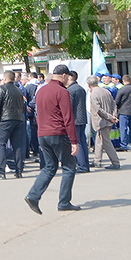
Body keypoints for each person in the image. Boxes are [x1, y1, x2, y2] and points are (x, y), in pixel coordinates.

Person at [24, 65, 80, 215]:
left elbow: (38, 114)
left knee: (49, 166)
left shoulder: (41, 91)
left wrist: (40, 135)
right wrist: (74, 141)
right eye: (68, 77)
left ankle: (33, 195)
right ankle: (64, 202)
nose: (68, 80)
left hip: (43, 133)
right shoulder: (62, 92)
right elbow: (68, 118)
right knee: (69, 166)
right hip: (58, 133)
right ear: (63, 76)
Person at [0, 71, 26, 180]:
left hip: (5, 119)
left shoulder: (1, 89)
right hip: (18, 119)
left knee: (1, 144)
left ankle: (1, 171)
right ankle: (19, 170)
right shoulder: (19, 90)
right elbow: (23, 106)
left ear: (5, 79)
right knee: (17, 146)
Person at [87, 77, 120, 169]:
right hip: (108, 120)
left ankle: (115, 162)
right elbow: (114, 104)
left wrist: (110, 117)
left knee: (106, 142)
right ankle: (97, 160)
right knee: (99, 141)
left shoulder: (93, 94)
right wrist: (113, 116)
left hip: (101, 121)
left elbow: (98, 109)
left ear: (89, 85)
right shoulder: (106, 91)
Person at [65, 70, 90, 172]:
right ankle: (85, 164)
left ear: (70, 77)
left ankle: (82, 165)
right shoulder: (81, 88)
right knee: (83, 142)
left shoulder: (70, 90)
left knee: (76, 142)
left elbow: (69, 106)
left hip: (74, 120)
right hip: (82, 118)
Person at [114, 75, 131, 151]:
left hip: (123, 112)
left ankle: (124, 145)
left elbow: (117, 102)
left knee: (123, 129)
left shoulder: (122, 90)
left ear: (123, 81)